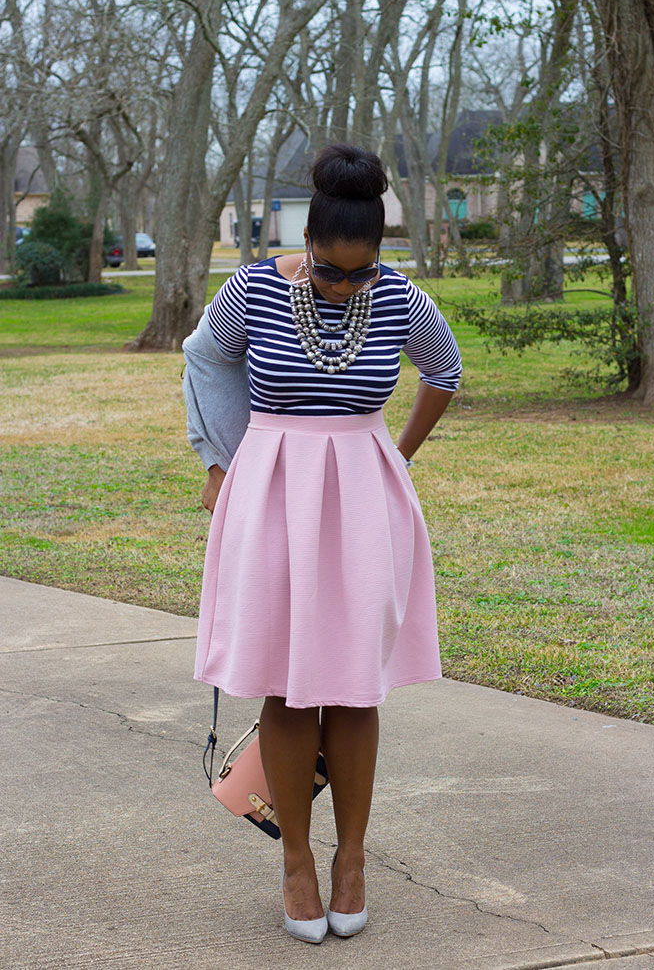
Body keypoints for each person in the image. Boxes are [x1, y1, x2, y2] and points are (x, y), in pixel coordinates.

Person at [186, 143, 462, 944]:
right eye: (329, 271)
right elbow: (203, 358)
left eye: (358, 272)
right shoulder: (254, 290)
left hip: (360, 502)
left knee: (352, 686)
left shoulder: (401, 298)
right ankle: (297, 863)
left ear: (379, 253)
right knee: (287, 683)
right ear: (306, 246)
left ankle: (352, 861)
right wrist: (216, 460)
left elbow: (443, 370)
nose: (343, 287)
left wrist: (395, 457)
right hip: (272, 495)